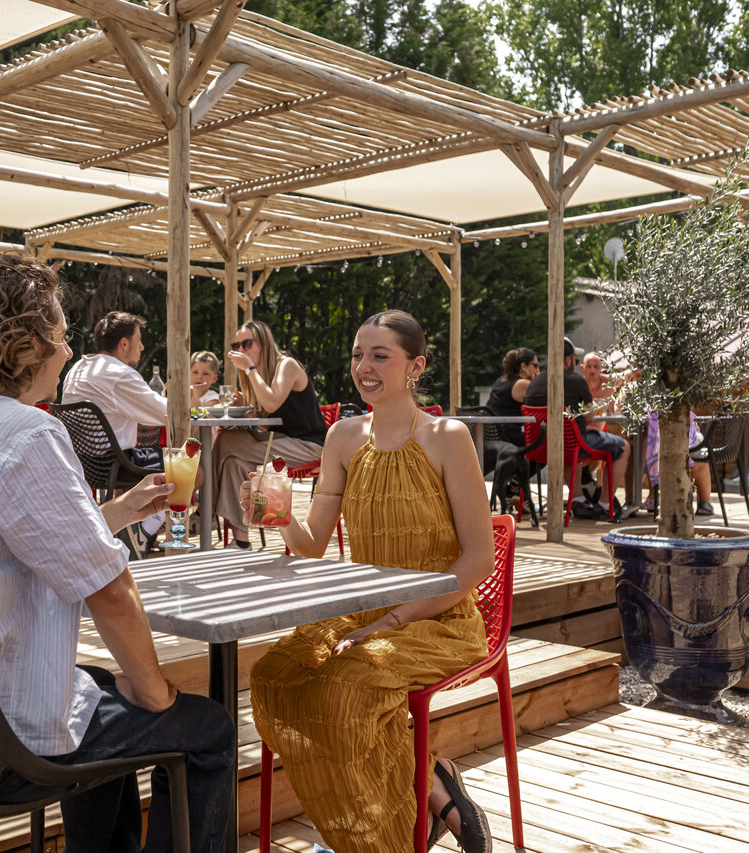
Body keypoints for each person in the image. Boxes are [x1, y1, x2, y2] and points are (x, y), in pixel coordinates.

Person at [0, 254, 235, 852]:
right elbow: (112, 594)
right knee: (205, 727)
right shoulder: (28, 433)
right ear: (34, 344)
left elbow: (4, 541)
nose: (68, 353)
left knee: (96, 689)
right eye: (64, 337)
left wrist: (117, 513)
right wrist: (157, 697)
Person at [247, 310, 494, 853]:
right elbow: (311, 543)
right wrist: (277, 509)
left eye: (380, 355)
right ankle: (428, 781)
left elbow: (479, 559)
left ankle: (382, 841)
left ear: (415, 366)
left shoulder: (446, 436)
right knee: (273, 674)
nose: (364, 366)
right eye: (358, 354)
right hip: (364, 613)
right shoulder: (341, 437)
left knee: (343, 689)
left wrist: (396, 616)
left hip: (439, 617)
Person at [62, 311, 173, 555]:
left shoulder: (77, 368)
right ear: (124, 343)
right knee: (193, 470)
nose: (142, 347)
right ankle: (144, 530)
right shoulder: (119, 374)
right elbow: (168, 415)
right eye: (139, 340)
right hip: (115, 464)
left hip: (82, 464)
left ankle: (132, 530)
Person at [215, 320, 327, 548]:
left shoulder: (287, 365)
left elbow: (273, 403)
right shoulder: (262, 373)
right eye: (237, 345)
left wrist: (248, 368)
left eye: (247, 343)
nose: (241, 350)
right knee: (233, 462)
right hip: (284, 442)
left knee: (227, 441)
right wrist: (247, 408)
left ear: (264, 343)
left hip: (309, 446)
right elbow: (268, 418)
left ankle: (201, 510)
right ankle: (241, 542)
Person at [524, 337, 630, 520]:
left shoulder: (534, 383)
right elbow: (589, 417)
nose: (576, 363)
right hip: (573, 445)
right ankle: (605, 504)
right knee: (623, 447)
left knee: (568, 446)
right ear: (567, 360)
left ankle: (579, 499)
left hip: (539, 447)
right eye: (576, 360)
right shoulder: (576, 381)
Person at [643, 410, 715, 515]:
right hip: (656, 433)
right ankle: (652, 495)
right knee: (649, 444)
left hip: (689, 431)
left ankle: (705, 500)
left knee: (699, 454)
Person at [486, 347, 538, 446]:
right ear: (523, 366)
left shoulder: (500, 380)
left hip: (494, 437)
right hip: (509, 438)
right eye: (535, 365)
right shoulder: (522, 384)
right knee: (545, 440)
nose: (538, 370)